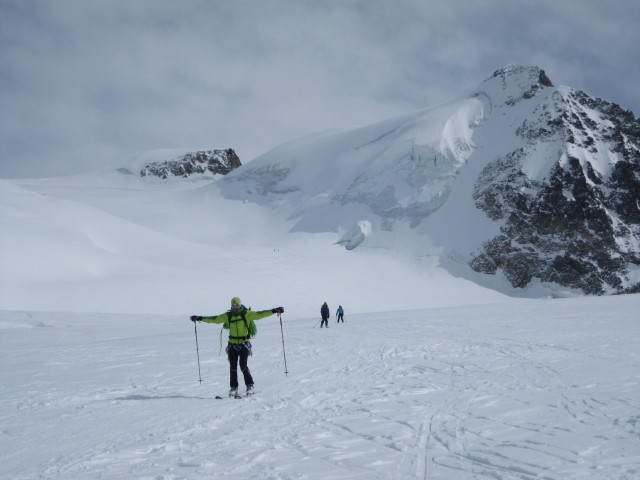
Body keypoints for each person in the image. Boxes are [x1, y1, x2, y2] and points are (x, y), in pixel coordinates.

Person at [191, 297, 284, 397]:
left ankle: (250, 385)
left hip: (244, 343)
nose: (235, 307)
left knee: (243, 365)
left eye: (237, 305)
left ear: (240, 305)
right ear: (231, 306)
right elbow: (215, 319)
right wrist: (200, 318)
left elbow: (260, 314)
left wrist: (274, 311)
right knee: (233, 366)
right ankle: (233, 387)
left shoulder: (246, 314)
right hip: (232, 344)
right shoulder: (228, 315)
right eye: (233, 305)